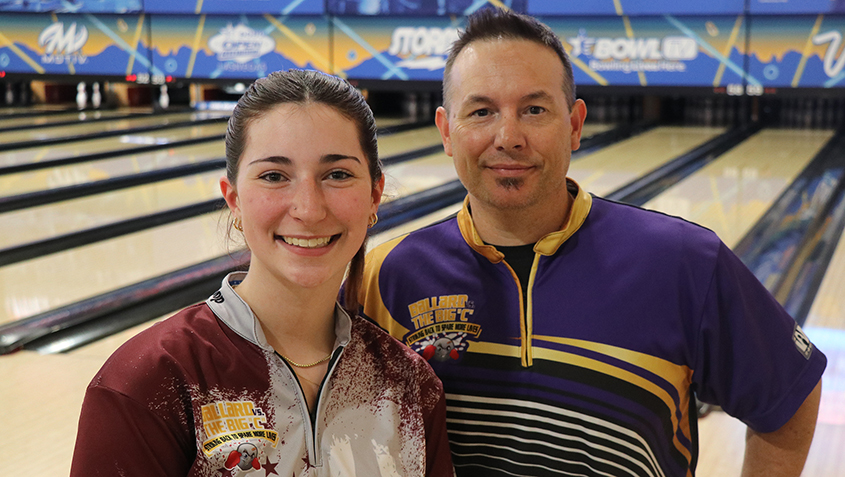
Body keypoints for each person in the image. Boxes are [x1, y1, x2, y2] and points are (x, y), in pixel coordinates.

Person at [360, 9, 826, 477]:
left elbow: (791, 395)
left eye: (535, 110)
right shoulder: (387, 276)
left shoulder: (682, 262)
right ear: (445, 131)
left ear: (576, 124)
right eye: (481, 111)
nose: (509, 137)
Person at [71, 70, 454, 476]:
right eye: (274, 176)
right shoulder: (150, 381)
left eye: (337, 174)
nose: (308, 208)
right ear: (233, 199)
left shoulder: (409, 384)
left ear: (374, 195)